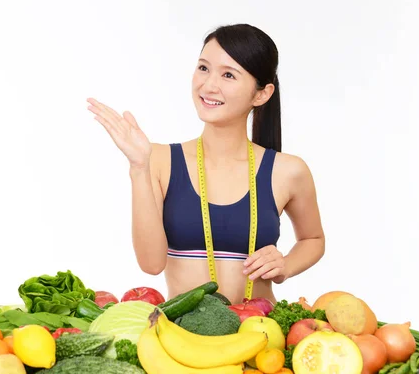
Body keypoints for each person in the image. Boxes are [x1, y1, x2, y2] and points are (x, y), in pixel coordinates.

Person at [87, 23, 325, 305]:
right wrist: (138, 168)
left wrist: (285, 265)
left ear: (261, 94)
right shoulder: (159, 160)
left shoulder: (287, 171)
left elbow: (313, 239)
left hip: (262, 332)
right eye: (203, 68)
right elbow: (151, 264)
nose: (209, 85)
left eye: (228, 75)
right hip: (185, 337)